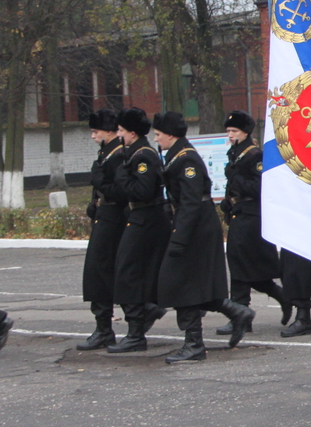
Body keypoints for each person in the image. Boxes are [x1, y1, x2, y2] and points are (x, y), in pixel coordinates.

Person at [152, 112, 256, 363]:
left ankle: (194, 344)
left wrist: (178, 238)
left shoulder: (186, 160)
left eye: (158, 135)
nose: (156, 139)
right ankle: (236, 312)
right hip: (192, 225)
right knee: (192, 283)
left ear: (170, 135)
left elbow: (190, 203)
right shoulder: (176, 155)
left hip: (196, 227)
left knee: (180, 283)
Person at [218, 110, 291, 337]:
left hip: (252, 217)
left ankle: (275, 299)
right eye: (228, 131)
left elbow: (260, 188)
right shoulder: (236, 153)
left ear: (246, 132)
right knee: (241, 266)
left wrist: (236, 180)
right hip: (239, 214)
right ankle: (243, 312)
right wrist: (228, 201)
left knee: (246, 267)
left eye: (234, 131)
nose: (230, 135)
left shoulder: (254, 155)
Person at [106, 108, 169, 353]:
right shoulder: (134, 153)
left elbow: (141, 191)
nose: (118, 135)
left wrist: (121, 173)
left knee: (126, 273)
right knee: (130, 272)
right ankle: (144, 315)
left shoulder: (143, 156)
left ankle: (136, 330)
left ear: (132, 133)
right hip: (139, 217)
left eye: (121, 131)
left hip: (147, 217)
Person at [78, 110, 128, 351]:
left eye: (95, 131)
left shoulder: (118, 155)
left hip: (114, 219)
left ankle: (106, 328)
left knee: (101, 271)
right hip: (104, 216)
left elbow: (120, 191)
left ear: (109, 131)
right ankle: (104, 326)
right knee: (99, 272)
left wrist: (99, 183)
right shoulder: (107, 153)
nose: (93, 136)